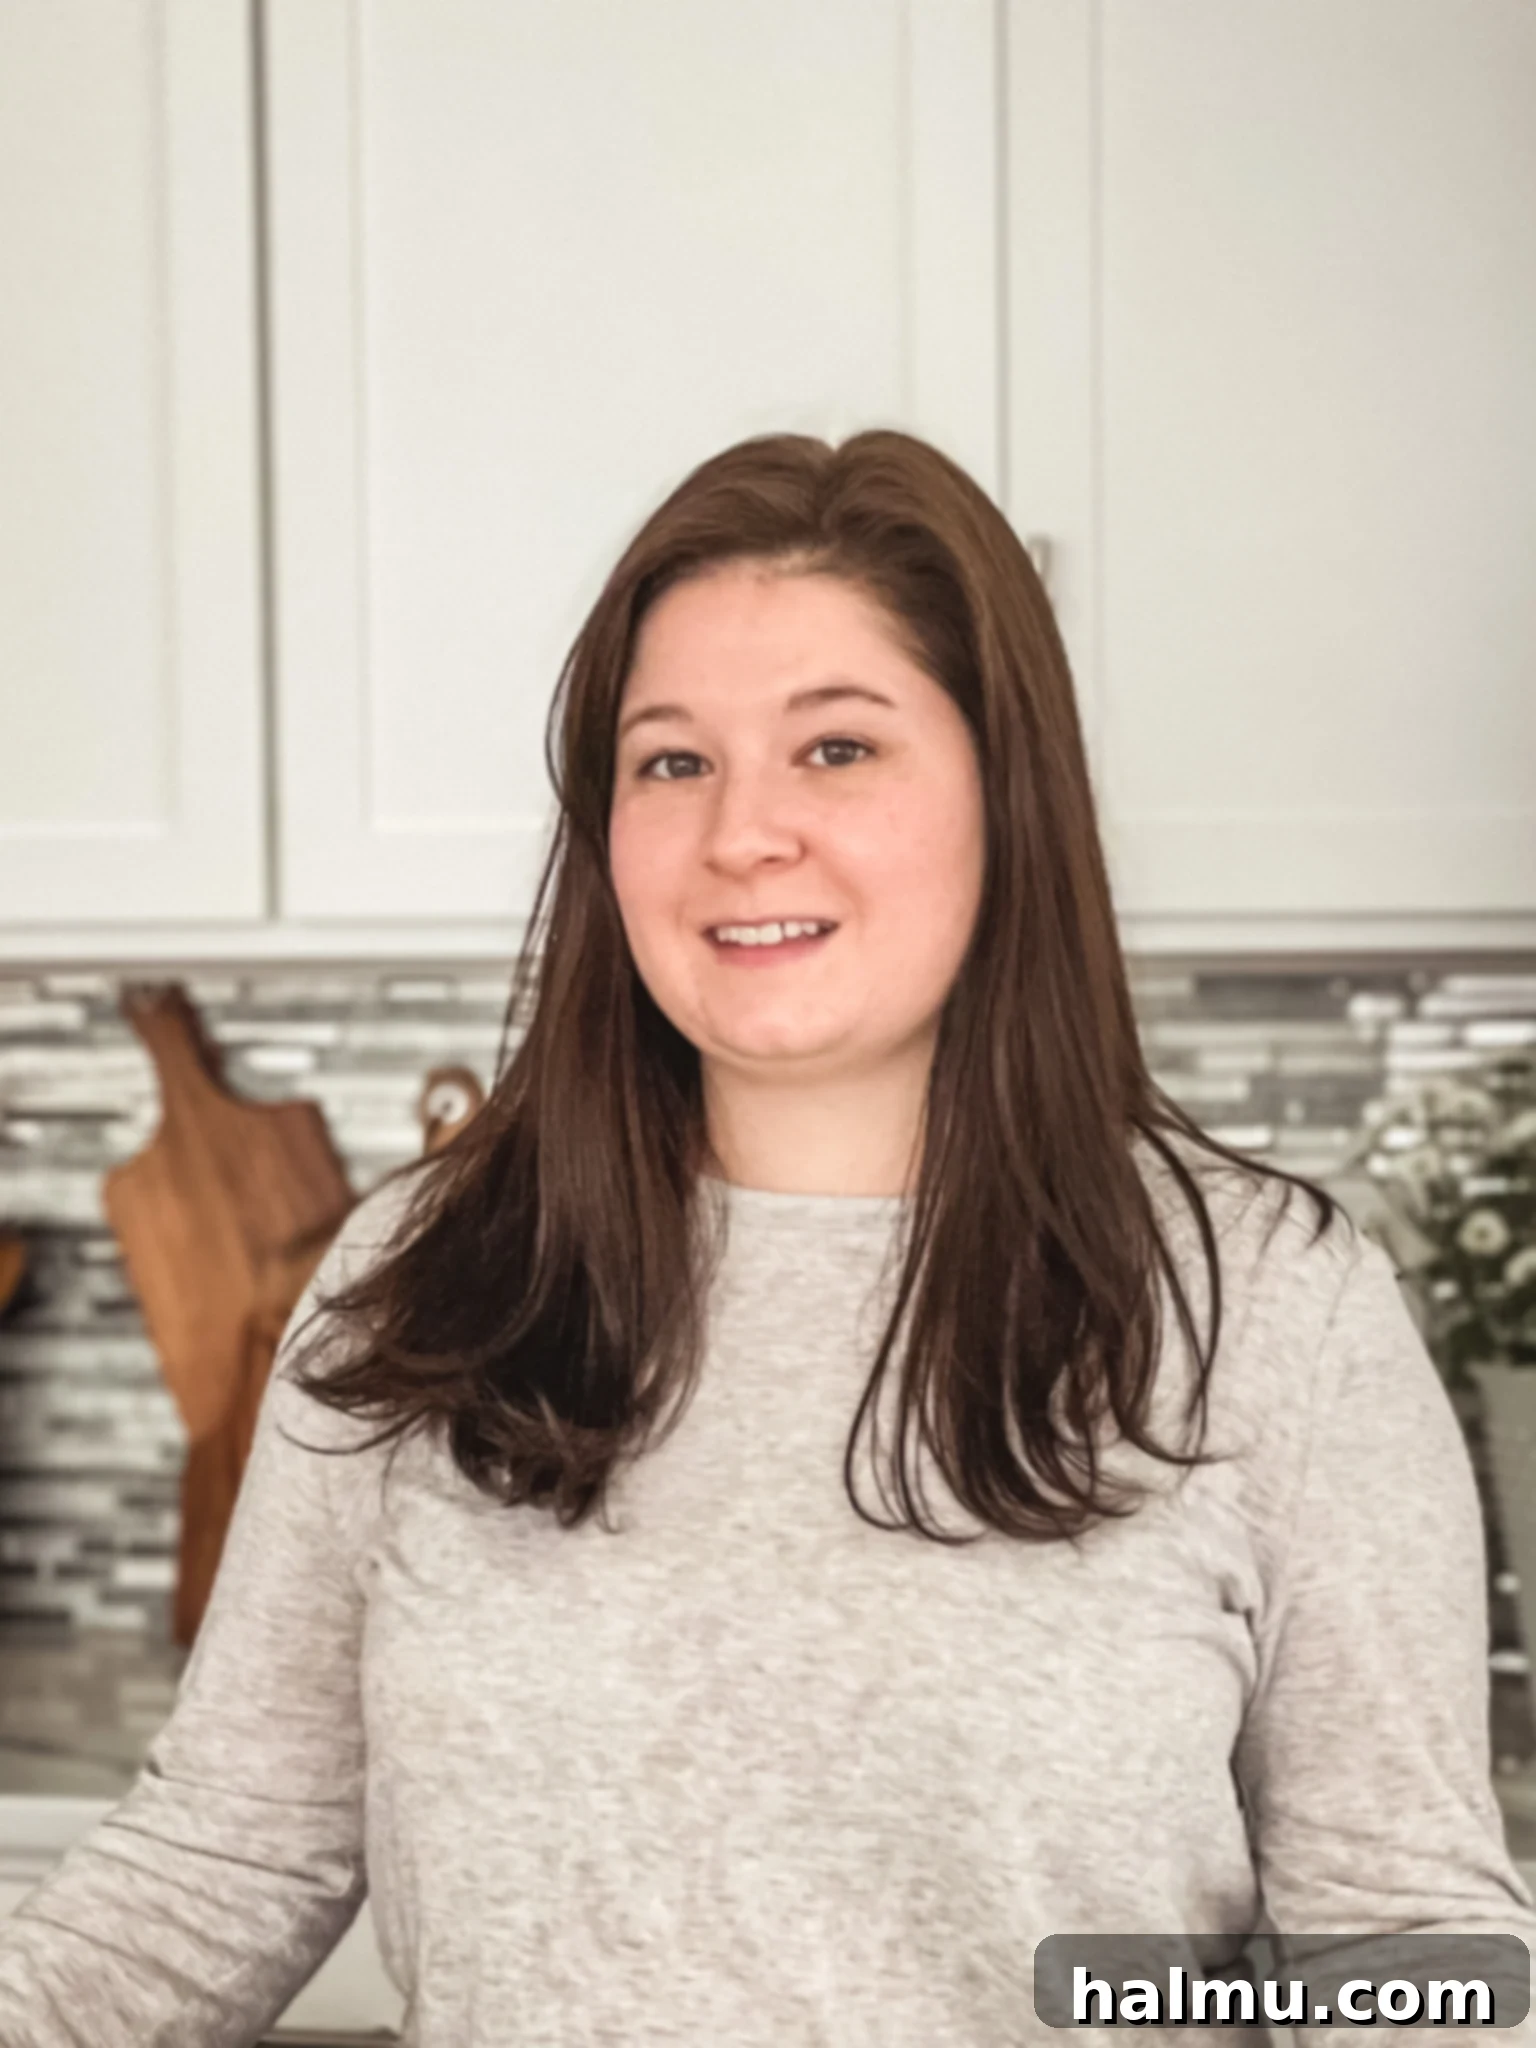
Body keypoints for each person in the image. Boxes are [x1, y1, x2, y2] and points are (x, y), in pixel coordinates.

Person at [0, 429, 1531, 2046]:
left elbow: (1412, 1948)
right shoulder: (430, 1276)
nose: (743, 834)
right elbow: (220, 1860)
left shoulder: (1267, 1313)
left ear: (1007, 794)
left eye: (838, 750)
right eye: (672, 763)